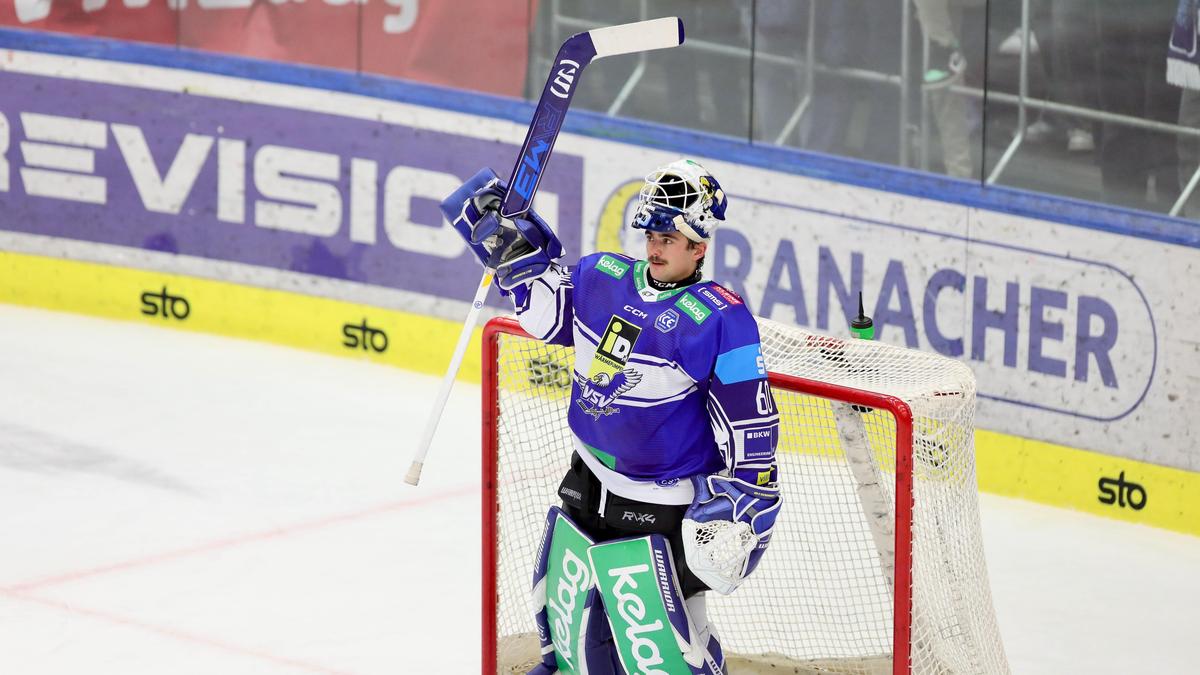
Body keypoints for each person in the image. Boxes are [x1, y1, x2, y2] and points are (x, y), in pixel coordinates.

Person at [446, 159, 781, 673]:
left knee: (660, 650)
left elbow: (750, 425)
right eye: (652, 233)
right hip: (585, 481)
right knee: (566, 632)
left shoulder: (721, 318)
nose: (656, 246)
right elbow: (546, 318)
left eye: (670, 237)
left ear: (700, 245)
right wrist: (515, 258)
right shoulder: (603, 277)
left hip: (658, 503)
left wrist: (748, 496)